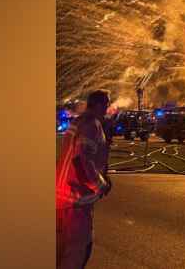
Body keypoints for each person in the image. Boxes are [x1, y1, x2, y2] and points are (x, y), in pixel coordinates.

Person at [56, 90, 113, 269]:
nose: (107, 109)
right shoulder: (92, 125)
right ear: (97, 105)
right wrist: (101, 184)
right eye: (105, 104)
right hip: (77, 204)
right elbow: (82, 160)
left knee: (59, 255)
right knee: (76, 256)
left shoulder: (77, 122)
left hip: (60, 200)